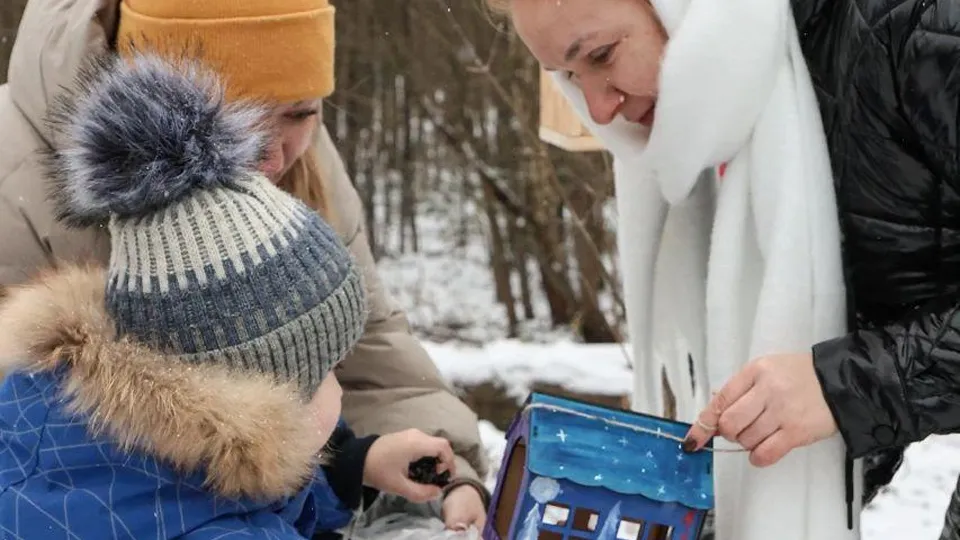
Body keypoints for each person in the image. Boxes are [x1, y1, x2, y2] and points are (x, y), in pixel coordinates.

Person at [0, 0, 490, 532]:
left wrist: (426, 472)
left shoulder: (304, 166)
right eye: (239, 119)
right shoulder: (13, 189)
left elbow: (367, 350)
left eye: (301, 112)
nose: (276, 160)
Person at [488, 0, 960, 538]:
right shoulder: (740, 104)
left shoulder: (921, 26)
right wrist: (705, 504)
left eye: (601, 55)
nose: (598, 109)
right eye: (569, 77)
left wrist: (849, 385)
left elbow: (842, 377)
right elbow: (853, 320)